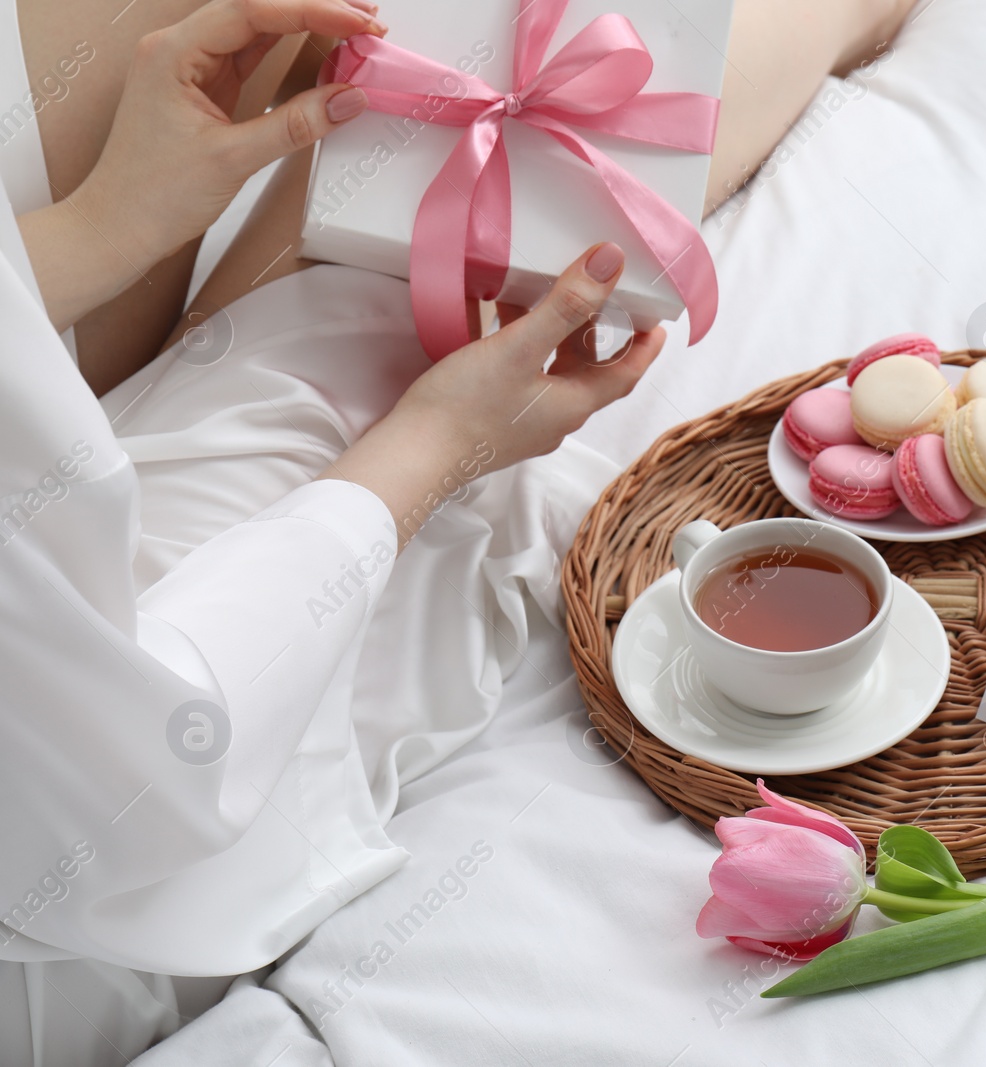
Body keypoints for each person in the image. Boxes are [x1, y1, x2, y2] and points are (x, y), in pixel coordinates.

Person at [0, 0, 917, 1061]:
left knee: (383, 141)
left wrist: (102, 227)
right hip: (93, 883)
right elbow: (153, 765)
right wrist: (436, 444)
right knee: (378, 284)